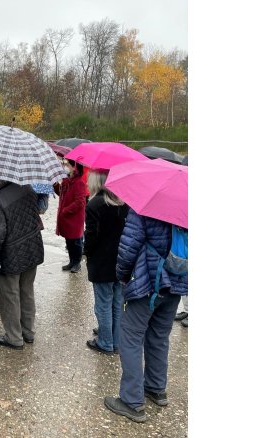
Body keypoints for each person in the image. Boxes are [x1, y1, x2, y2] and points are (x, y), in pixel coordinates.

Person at [103, 211, 188, 423]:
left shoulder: (144, 208)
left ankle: (132, 401)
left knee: (131, 337)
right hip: (177, 284)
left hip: (148, 282)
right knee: (159, 337)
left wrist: (123, 277)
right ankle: (156, 388)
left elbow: (128, 248)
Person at [0, 179, 45, 350]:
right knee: (27, 290)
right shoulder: (27, 188)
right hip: (31, 247)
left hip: (10, 253)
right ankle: (28, 331)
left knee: (9, 294)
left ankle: (13, 336)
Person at [82, 170, 129, 355]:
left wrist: (86, 252)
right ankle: (115, 340)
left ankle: (105, 342)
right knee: (117, 303)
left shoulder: (95, 204)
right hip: (120, 260)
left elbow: (91, 237)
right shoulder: (123, 202)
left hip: (101, 262)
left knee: (102, 303)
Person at [55, 159, 88, 273]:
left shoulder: (79, 182)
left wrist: (66, 210)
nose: (66, 167)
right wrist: (56, 184)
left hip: (75, 218)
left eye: (67, 165)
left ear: (74, 167)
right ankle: (71, 261)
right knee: (68, 241)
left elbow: (80, 202)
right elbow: (61, 194)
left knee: (76, 241)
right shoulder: (68, 181)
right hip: (66, 217)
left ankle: (77, 263)